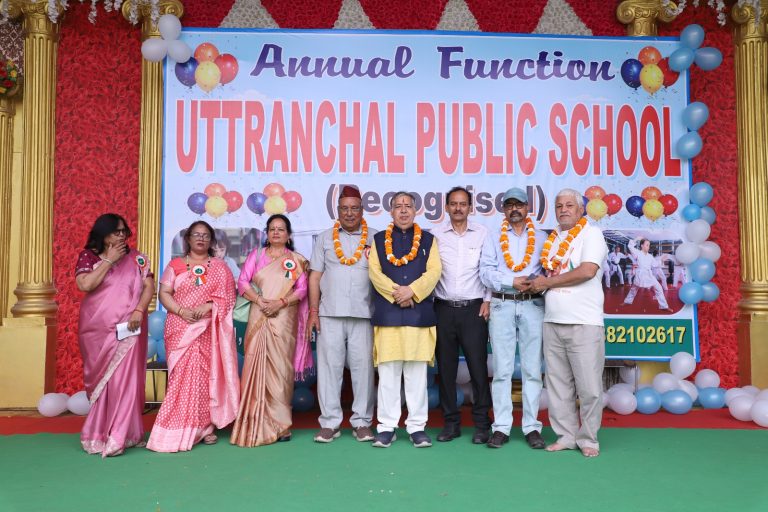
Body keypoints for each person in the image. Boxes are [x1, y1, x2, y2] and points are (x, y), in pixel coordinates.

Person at [528, 188, 608, 458]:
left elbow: (587, 271)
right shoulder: (553, 239)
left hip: (584, 322)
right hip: (552, 321)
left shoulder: (592, 234)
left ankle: (589, 439)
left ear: (581, 210)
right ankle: (566, 436)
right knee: (558, 386)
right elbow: (547, 274)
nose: (563, 210)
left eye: (569, 205)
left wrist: (546, 283)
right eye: (559, 206)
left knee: (589, 388)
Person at [146, 221, 239, 453]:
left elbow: (229, 297)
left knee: (206, 378)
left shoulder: (220, 267)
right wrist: (181, 311)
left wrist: (208, 306)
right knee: (181, 378)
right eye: (196, 234)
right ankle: (174, 427)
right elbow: (164, 293)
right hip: (180, 326)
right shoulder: (175, 265)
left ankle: (205, 427)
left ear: (211, 241)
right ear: (187, 239)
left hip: (207, 328)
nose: (201, 238)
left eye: (206, 235)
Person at [230, 214, 313, 447]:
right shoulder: (256, 256)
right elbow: (242, 282)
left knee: (281, 370)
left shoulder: (296, 260)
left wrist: (281, 303)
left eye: (281, 229)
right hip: (259, 313)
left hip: (284, 318)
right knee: (254, 366)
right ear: (267, 233)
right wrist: (260, 300)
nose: (276, 232)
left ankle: (281, 424)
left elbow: (302, 290)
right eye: (272, 229)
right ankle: (253, 420)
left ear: (289, 235)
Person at [75, 214, 154, 457]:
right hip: (97, 330)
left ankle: (120, 435)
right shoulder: (89, 256)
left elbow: (149, 286)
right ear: (103, 233)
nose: (121, 236)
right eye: (116, 231)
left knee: (125, 381)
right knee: (104, 381)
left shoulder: (138, 258)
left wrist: (139, 310)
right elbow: (85, 285)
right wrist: (109, 260)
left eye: (124, 231)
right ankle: (98, 433)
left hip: (129, 327)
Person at [368, 192, 441, 448]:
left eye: (407, 206)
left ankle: (417, 427)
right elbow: (374, 272)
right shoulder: (378, 240)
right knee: (388, 374)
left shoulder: (428, 240)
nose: (403, 210)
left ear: (415, 210)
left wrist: (413, 291)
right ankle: (386, 427)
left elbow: (435, 271)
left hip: (418, 315)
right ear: (391, 211)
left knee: (416, 376)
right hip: (388, 315)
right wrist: (397, 294)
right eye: (398, 206)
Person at [479, 187, 547, 449]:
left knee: (532, 369)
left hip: (533, 305)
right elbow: (485, 272)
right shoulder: (493, 237)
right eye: (509, 205)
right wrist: (512, 281)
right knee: (502, 370)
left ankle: (531, 427)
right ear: (503, 210)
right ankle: (501, 427)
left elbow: (548, 271)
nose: (514, 209)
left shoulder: (542, 238)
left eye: (519, 204)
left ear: (528, 208)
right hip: (502, 304)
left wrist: (535, 283)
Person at [307, 186, 376, 443]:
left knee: (363, 370)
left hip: (364, 314)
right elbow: (315, 277)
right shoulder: (325, 238)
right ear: (337, 211)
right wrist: (313, 312)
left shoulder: (376, 238)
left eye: (354, 208)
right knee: (329, 369)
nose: (349, 213)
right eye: (344, 208)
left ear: (362, 210)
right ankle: (330, 423)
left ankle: (362, 422)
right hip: (330, 314)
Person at [433, 187, 492, 445]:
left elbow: (489, 268)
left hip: (474, 309)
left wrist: (488, 300)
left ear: (470, 207)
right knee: (446, 370)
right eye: (454, 204)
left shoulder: (483, 233)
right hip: (443, 309)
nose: (458, 208)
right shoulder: (435, 235)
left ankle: (482, 425)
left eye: (463, 204)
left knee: (478, 369)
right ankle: (451, 424)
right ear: (446, 207)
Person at [622, 239, 671, 311]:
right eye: (647, 245)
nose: (648, 247)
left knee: (659, 288)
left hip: (649, 275)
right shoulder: (637, 253)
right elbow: (630, 246)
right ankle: (627, 301)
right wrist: (637, 238)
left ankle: (664, 306)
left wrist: (662, 260)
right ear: (642, 246)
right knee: (633, 289)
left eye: (649, 245)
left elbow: (655, 264)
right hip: (640, 275)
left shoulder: (650, 256)